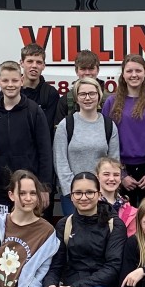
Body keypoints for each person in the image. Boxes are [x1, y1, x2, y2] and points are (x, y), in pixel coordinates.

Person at [46, 172, 126, 287]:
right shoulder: (64, 225)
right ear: (71, 196)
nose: (84, 197)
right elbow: (56, 265)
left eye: (89, 192)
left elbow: (114, 267)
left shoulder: (114, 224)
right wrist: (50, 285)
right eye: (78, 193)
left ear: (99, 194)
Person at [0, 61, 54, 219]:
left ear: (21, 80)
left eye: (14, 80)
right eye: (5, 80)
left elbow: (45, 152)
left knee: (28, 229)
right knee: (1, 231)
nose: (10, 85)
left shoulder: (34, 111)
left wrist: (44, 187)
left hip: (29, 188)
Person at [104, 55, 145, 202]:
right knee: (123, 215)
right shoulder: (111, 102)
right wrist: (121, 175)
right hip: (121, 169)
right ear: (123, 74)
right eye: (129, 71)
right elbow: (105, 141)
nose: (134, 75)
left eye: (138, 71)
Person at [54, 77, 120, 212]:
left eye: (92, 93)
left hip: (101, 194)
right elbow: (60, 161)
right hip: (73, 195)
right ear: (76, 98)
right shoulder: (66, 125)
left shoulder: (108, 125)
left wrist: (103, 190)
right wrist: (74, 190)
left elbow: (114, 161)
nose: (87, 98)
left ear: (99, 96)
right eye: (82, 94)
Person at [18, 43, 62, 123]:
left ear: (43, 65)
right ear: (21, 63)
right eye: (30, 61)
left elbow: (48, 127)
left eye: (38, 62)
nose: (34, 66)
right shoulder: (11, 90)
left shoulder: (50, 94)